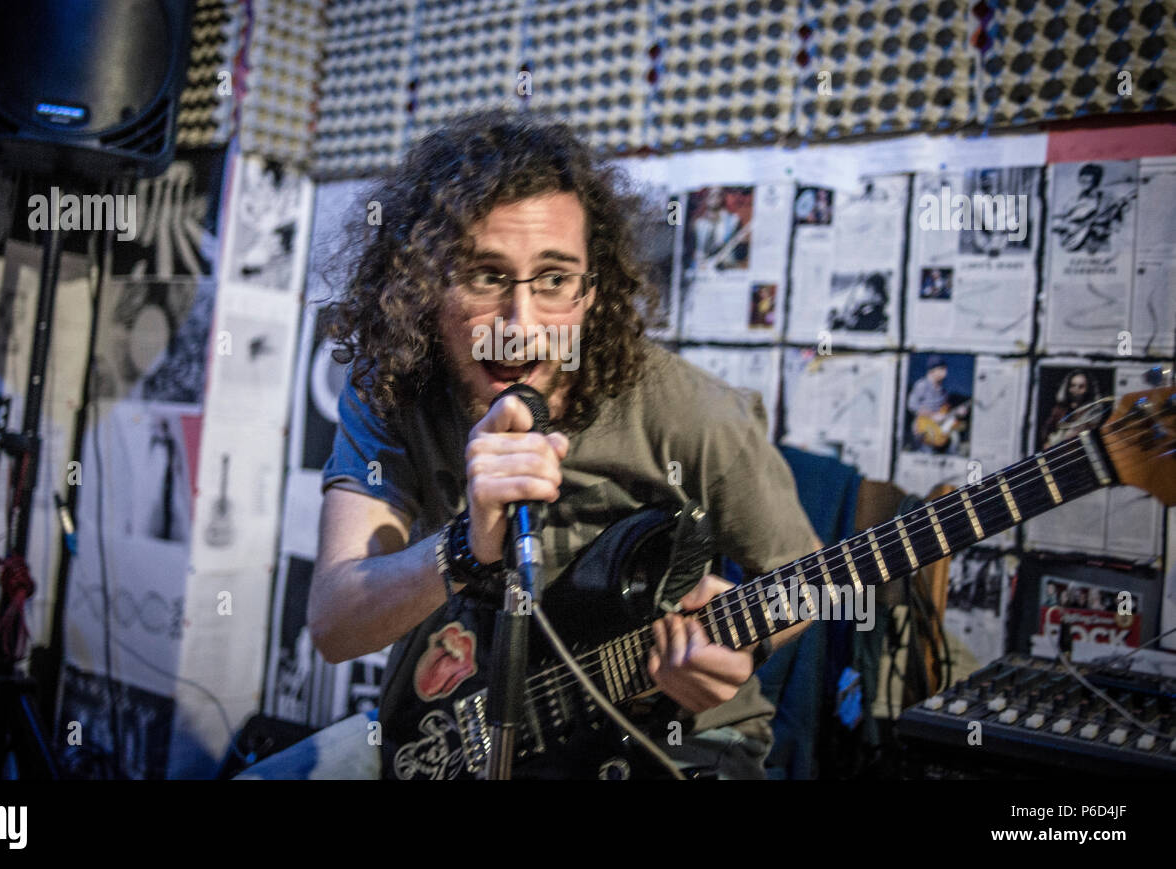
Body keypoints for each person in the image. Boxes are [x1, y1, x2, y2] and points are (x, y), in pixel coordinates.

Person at [237, 109, 819, 780]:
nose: (522, 325)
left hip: (665, 738)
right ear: (423, 285)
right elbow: (336, 625)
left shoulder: (692, 411)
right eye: (485, 275)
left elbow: (804, 583)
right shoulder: (394, 393)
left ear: (591, 294)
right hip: (459, 728)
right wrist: (462, 548)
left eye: (553, 279)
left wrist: (733, 641)